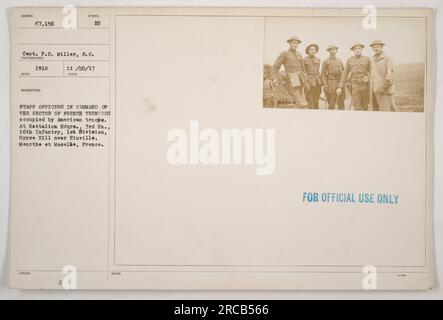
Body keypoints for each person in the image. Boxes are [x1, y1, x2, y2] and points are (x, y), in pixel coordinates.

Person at [271, 36, 308, 108]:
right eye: (294, 43)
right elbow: (275, 67)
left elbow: (303, 69)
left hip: (301, 79)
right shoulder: (284, 53)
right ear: (289, 43)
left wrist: (305, 80)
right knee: (298, 101)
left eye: (297, 43)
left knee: (302, 101)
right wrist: (274, 78)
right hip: (292, 78)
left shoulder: (299, 54)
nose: (295, 45)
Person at [338, 43, 371, 111]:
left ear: (361, 49)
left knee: (365, 106)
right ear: (353, 51)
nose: (357, 50)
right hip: (354, 86)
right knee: (357, 107)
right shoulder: (349, 60)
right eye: (355, 49)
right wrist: (340, 87)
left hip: (365, 86)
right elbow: (345, 74)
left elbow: (372, 73)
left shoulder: (367, 59)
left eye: (359, 48)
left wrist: (368, 78)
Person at [369, 40, 396, 112]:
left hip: (385, 91)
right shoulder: (372, 60)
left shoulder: (388, 58)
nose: (376, 49)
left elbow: (390, 74)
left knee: (388, 112)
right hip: (374, 92)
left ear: (382, 47)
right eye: (374, 47)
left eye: (377, 46)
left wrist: (383, 88)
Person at [321, 44, 345, 110]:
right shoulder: (326, 61)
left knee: (341, 102)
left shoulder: (339, 60)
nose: (333, 51)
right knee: (331, 103)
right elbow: (322, 74)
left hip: (340, 82)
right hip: (331, 82)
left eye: (334, 49)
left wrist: (343, 83)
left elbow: (344, 72)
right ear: (329, 51)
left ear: (336, 50)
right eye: (331, 49)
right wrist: (325, 84)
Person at [303, 44, 322, 109]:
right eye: (311, 50)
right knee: (310, 101)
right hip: (309, 83)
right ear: (308, 51)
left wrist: (321, 82)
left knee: (316, 101)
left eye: (314, 50)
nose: (313, 51)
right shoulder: (304, 60)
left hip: (318, 83)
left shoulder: (318, 59)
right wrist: (306, 83)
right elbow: (304, 72)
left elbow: (318, 71)